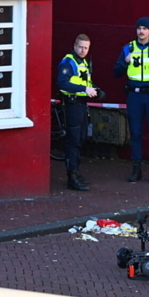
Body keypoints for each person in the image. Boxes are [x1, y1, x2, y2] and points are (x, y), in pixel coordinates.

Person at [114, 17, 149, 184]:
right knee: (135, 133)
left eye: (145, 28)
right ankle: (136, 170)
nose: (141, 31)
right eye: (139, 28)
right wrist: (125, 61)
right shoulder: (128, 48)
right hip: (134, 96)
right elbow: (116, 72)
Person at [57, 34, 100, 192]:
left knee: (81, 138)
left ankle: (77, 172)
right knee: (73, 141)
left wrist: (95, 90)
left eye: (86, 48)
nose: (83, 50)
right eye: (81, 47)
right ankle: (71, 177)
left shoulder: (83, 62)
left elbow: (84, 82)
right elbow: (62, 83)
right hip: (72, 105)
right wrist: (84, 89)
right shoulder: (68, 62)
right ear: (75, 46)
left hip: (81, 104)